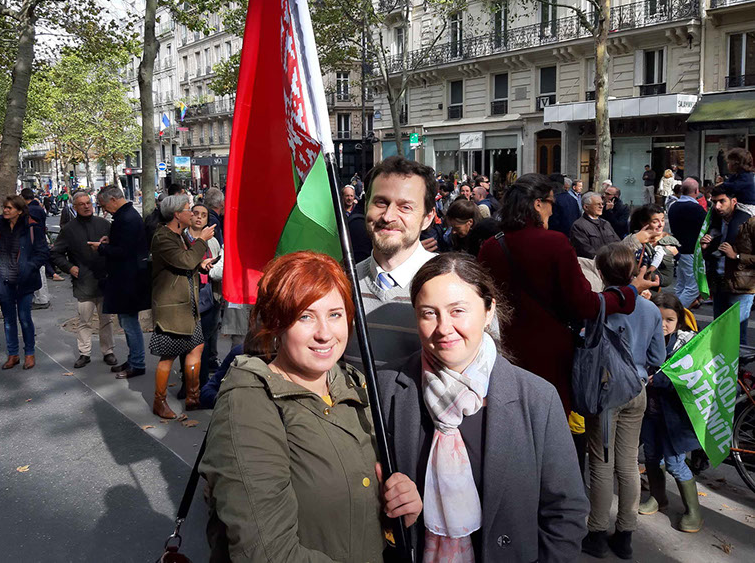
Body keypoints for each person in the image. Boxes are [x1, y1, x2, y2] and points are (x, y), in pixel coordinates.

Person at [199, 251, 422, 561]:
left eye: (335, 314)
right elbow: (266, 553)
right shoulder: (250, 402)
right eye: (305, 316)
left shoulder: (353, 385)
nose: (324, 334)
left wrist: (396, 509)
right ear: (276, 323)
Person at [378, 253, 589, 561]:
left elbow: (565, 510)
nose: (444, 327)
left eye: (458, 311)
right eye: (429, 313)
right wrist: (389, 509)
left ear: (489, 311)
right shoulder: (388, 389)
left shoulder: (537, 399)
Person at [478, 173, 652, 412]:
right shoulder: (555, 243)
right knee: (550, 419)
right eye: (552, 203)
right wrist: (630, 292)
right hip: (552, 352)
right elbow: (585, 303)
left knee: (514, 416)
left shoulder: (491, 246)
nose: (553, 210)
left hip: (506, 350)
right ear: (538, 204)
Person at [582, 244, 665, 560]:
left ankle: (597, 532)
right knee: (629, 462)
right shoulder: (650, 310)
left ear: (600, 273)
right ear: (632, 271)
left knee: (601, 463)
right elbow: (658, 356)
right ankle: (625, 534)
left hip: (606, 392)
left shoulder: (601, 306)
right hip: (636, 390)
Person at [350, 156, 438, 364]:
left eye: (405, 207)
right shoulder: (343, 284)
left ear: (427, 218)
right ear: (366, 207)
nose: (388, 216)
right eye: (381, 202)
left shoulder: (459, 288)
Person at [638, 292, 704, 533]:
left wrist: (660, 379)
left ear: (679, 320)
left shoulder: (686, 345)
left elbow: (688, 378)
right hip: (650, 413)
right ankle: (658, 497)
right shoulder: (642, 337)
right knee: (651, 456)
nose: (663, 325)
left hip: (674, 419)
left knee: (675, 463)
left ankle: (694, 513)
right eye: (659, 319)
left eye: (669, 319)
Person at [147, 196, 216, 417]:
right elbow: (184, 261)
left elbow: (186, 262)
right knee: (168, 355)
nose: (192, 214)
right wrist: (202, 241)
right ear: (177, 214)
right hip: (173, 307)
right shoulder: (163, 237)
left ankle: (193, 397)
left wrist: (201, 265)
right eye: (189, 210)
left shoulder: (179, 235)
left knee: (196, 347)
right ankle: (159, 402)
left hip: (188, 305)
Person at [50, 191, 116, 369]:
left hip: (104, 278)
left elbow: (116, 247)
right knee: (84, 320)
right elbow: (55, 253)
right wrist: (69, 267)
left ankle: (108, 351)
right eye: (82, 204)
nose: (86, 206)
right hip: (84, 281)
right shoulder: (69, 229)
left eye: (88, 202)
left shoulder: (104, 224)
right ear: (75, 207)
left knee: (106, 319)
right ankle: (84, 353)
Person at [92, 185, 151, 378]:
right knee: (127, 322)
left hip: (128, 280)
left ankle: (137, 362)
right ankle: (133, 359)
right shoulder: (127, 216)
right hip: (128, 278)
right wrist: (110, 243)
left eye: (104, 205)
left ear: (113, 200)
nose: (104, 209)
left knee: (129, 324)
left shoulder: (126, 218)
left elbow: (124, 251)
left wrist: (101, 248)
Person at [0, 195, 49, 369]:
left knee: (25, 318)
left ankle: (29, 353)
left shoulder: (32, 227)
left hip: (24, 280)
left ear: (20, 211)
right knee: (8, 320)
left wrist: (29, 267)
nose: (5, 210)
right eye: (5, 207)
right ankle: (13, 354)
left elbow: (42, 253)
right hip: (4, 279)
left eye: (9, 208)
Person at [700, 184, 755, 346]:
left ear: (734, 201)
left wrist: (736, 256)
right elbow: (710, 255)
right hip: (719, 284)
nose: (717, 206)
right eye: (714, 202)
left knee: (737, 335)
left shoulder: (749, 223)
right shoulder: (715, 221)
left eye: (722, 201)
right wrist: (705, 247)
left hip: (741, 287)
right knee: (719, 332)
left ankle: (740, 362)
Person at [188, 203, 222, 383]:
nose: (199, 218)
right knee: (189, 341)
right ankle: (189, 381)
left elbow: (219, 267)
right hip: (188, 297)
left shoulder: (213, 241)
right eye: (196, 213)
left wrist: (213, 267)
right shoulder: (183, 239)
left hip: (209, 294)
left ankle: (202, 382)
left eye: (203, 215)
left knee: (205, 339)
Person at [668, 178, 708, 308]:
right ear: (696, 191)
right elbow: (706, 227)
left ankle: (675, 310)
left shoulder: (673, 206)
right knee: (693, 287)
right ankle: (676, 311)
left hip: (678, 249)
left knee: (682, 284)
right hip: (692, 251)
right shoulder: (696, 209)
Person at [624, 205, 680, 292]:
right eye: (655, 222)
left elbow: (676, 262)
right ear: (644, 223)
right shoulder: (636, 242)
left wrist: (675, 253)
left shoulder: (666, 238)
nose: (661, 225)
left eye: (662, 220)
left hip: (656, 289)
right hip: (638, 289)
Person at [569, 191, 621, 258]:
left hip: (612, 261)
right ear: (586, 207)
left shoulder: (606, 224)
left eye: (602, 204)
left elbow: (618, 244)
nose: (601, 206)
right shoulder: (578, 226)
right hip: (595, 263)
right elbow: (586, 251)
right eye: (597, 204)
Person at [723, 147, 755, 216]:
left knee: (734, 222)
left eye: (729, 162)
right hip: (738, 205)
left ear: (736, 164)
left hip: (747, 208)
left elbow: (734, 187)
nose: (727, 165)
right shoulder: (736, 175)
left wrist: (722, 185)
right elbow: (729, 183)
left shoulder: (746, 176)